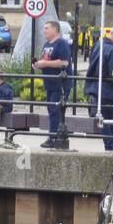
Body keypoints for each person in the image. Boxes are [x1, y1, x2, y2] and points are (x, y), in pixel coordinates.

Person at [86, 24, 113, 151]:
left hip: (96, 87)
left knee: (103, 119)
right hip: (109, 90)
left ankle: (110, 146)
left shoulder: (98, 45)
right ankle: (112, 147)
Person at [33, 20, 70, 148]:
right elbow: (45, 60)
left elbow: (65, 62)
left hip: (60, 83)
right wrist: (38, 65)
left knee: (55, 110)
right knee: (51, 110)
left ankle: (54, 137)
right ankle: (53, 135)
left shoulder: (62, 44)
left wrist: (46, 64)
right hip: (49, 82)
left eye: (47, 28)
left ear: (55, 29)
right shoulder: (47, 44)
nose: (44, 31)